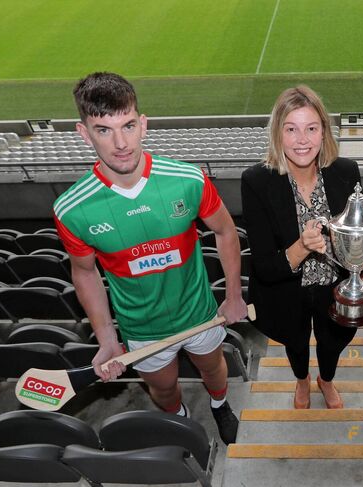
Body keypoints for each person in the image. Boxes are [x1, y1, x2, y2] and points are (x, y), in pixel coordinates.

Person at [53, 72, 247, 444]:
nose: (121, 143)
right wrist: (107, 337)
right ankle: (183, 419)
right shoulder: (71, 209)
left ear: (143, 124)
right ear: (83, 133)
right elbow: (85, 273)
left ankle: (220, 405)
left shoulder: (188, 180)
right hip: (142, 330)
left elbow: (225, 231)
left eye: (127, 125)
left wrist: (234, 295)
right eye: (104, 130)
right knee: (164, 390)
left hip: (200, 313)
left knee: (214, 371)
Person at [241, 85, 360, 410]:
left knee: (331, 343)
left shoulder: (347, 172)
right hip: (285, 290)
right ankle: (302, 380)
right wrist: (302, 246)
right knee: (295, 343)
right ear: (278, 134)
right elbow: (264, 265)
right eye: (291, 129)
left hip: (331, 288)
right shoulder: (256, 181)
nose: (302, 139)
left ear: (324, 131)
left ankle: (326, 379)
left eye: (311, 128)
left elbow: (356, 238)